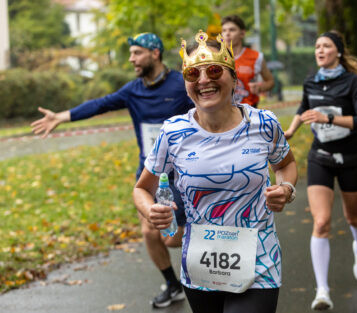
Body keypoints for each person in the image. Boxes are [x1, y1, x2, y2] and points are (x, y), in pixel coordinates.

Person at [133, 30, 297, 313]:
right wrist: (150, 211)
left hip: (259, 260)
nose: (204, 80)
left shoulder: (264, 123)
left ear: (234, 79)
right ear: (186, 85)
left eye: (213, 70)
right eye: (193, 75)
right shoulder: (174, 132)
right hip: (200, 266)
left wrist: (286, 189)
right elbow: (141, 189)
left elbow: (285, 164)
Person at [30, 32, 194, 308]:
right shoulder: (133, 90)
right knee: (150, 232)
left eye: (137, 53)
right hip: (151, 174)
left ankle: (208, 264)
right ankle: (172, 284)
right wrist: (62, 116)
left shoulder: (181, 85)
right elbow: (100, 104)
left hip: (186, 173)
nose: (131, 59)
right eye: (131, 53)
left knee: (173, 239)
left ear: (155, 53)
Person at [284, 30, 357, 310]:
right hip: (319, 157)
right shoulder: (311, 81)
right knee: (321, 222)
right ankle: (322, 290)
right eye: (317, 47)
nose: (319, 51)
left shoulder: (352, 83)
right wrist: (290, 130)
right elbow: (302, 108)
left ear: (338, 52)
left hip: (351, 158)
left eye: (326, 46)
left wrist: (328, 118)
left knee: (353, 216)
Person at [221, 15, 275, 108]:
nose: (227, 33)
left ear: (242, 33)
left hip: (249, 111)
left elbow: (270, 81)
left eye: (232, 30)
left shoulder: (256, 57)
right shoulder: (216, 57)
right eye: (224, 30)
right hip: (223, 110)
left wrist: (260, 87)